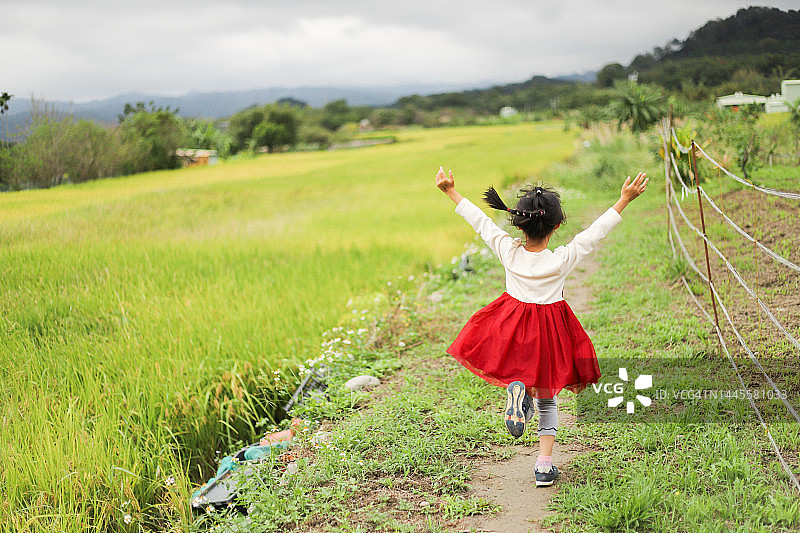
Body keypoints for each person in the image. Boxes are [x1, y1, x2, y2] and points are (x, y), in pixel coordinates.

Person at [434, 167, 648, 487]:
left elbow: (480, 222)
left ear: (518, 223)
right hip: (549, 332)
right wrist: (623, 200)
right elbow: (595, 233)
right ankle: (544, 466)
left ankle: (518, 389)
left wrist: (450, 191)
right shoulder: (561, 259)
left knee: (522, 374)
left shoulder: (508, 250)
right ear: (557, 225)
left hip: (512, 326)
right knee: (548, 399)